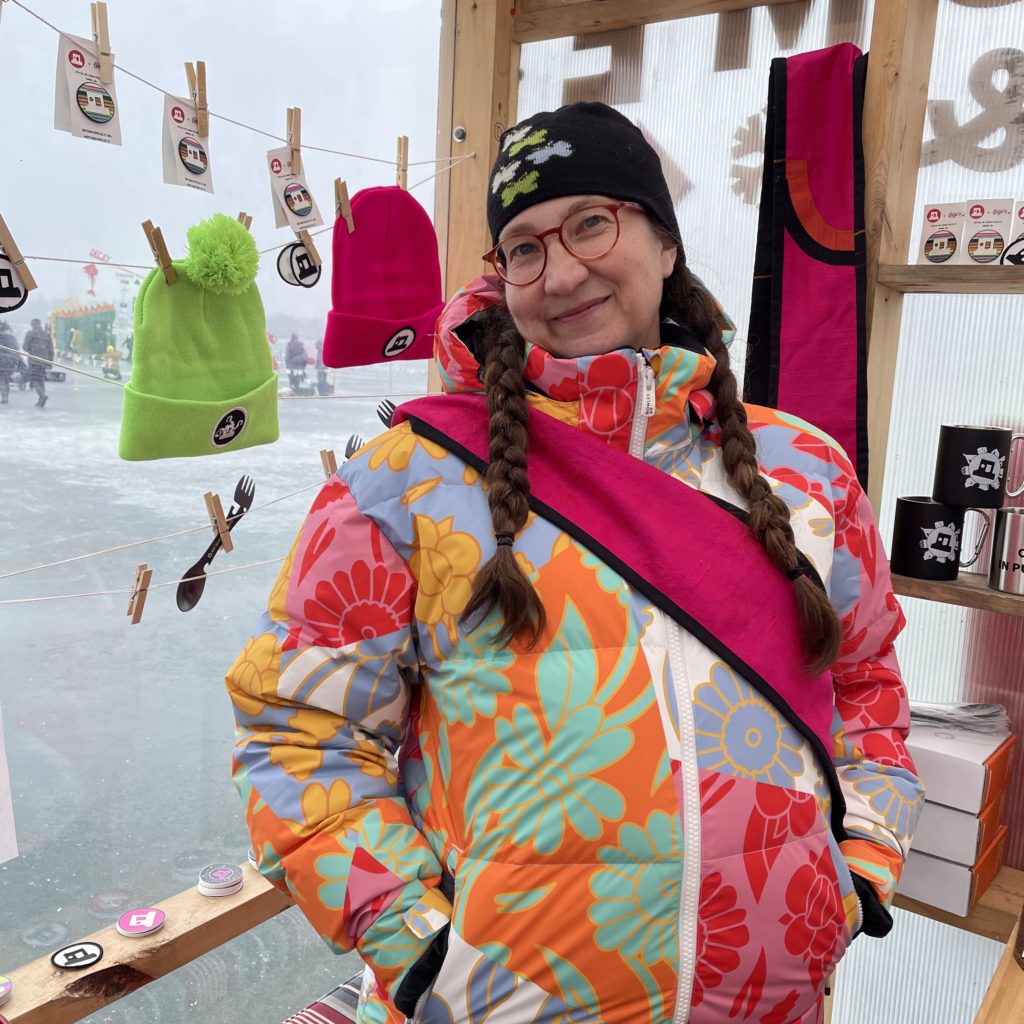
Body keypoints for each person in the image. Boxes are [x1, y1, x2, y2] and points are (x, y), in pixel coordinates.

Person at [226, 103, 923, 1024]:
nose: (557, 273)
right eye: (522, 247)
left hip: (771, 999)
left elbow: (867, 686)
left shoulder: (805, 471)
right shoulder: (404, 485)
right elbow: (296, 735)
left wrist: (860, 873)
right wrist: (422, 947)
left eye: (591, 222)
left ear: (665, 243)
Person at [23, 318, 53, 408]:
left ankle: (42, 396)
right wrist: (50, 361)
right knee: (41, 380)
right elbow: (51, 349)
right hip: (44, 361)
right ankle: (41, 399)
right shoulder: (47, 334)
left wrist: (32, 350)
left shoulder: (30, 333)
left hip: (34, 361)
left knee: (34, 380)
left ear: (32, 325)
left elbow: (25, 347)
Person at [0, 320, 20, 403]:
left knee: (3, 380)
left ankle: (4, 396)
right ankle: (5, 396)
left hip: (4, 362)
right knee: (5, 380)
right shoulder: (12, 338)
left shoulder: (9, 339)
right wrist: (15, 362)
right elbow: (16, 352)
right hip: (8, 363)